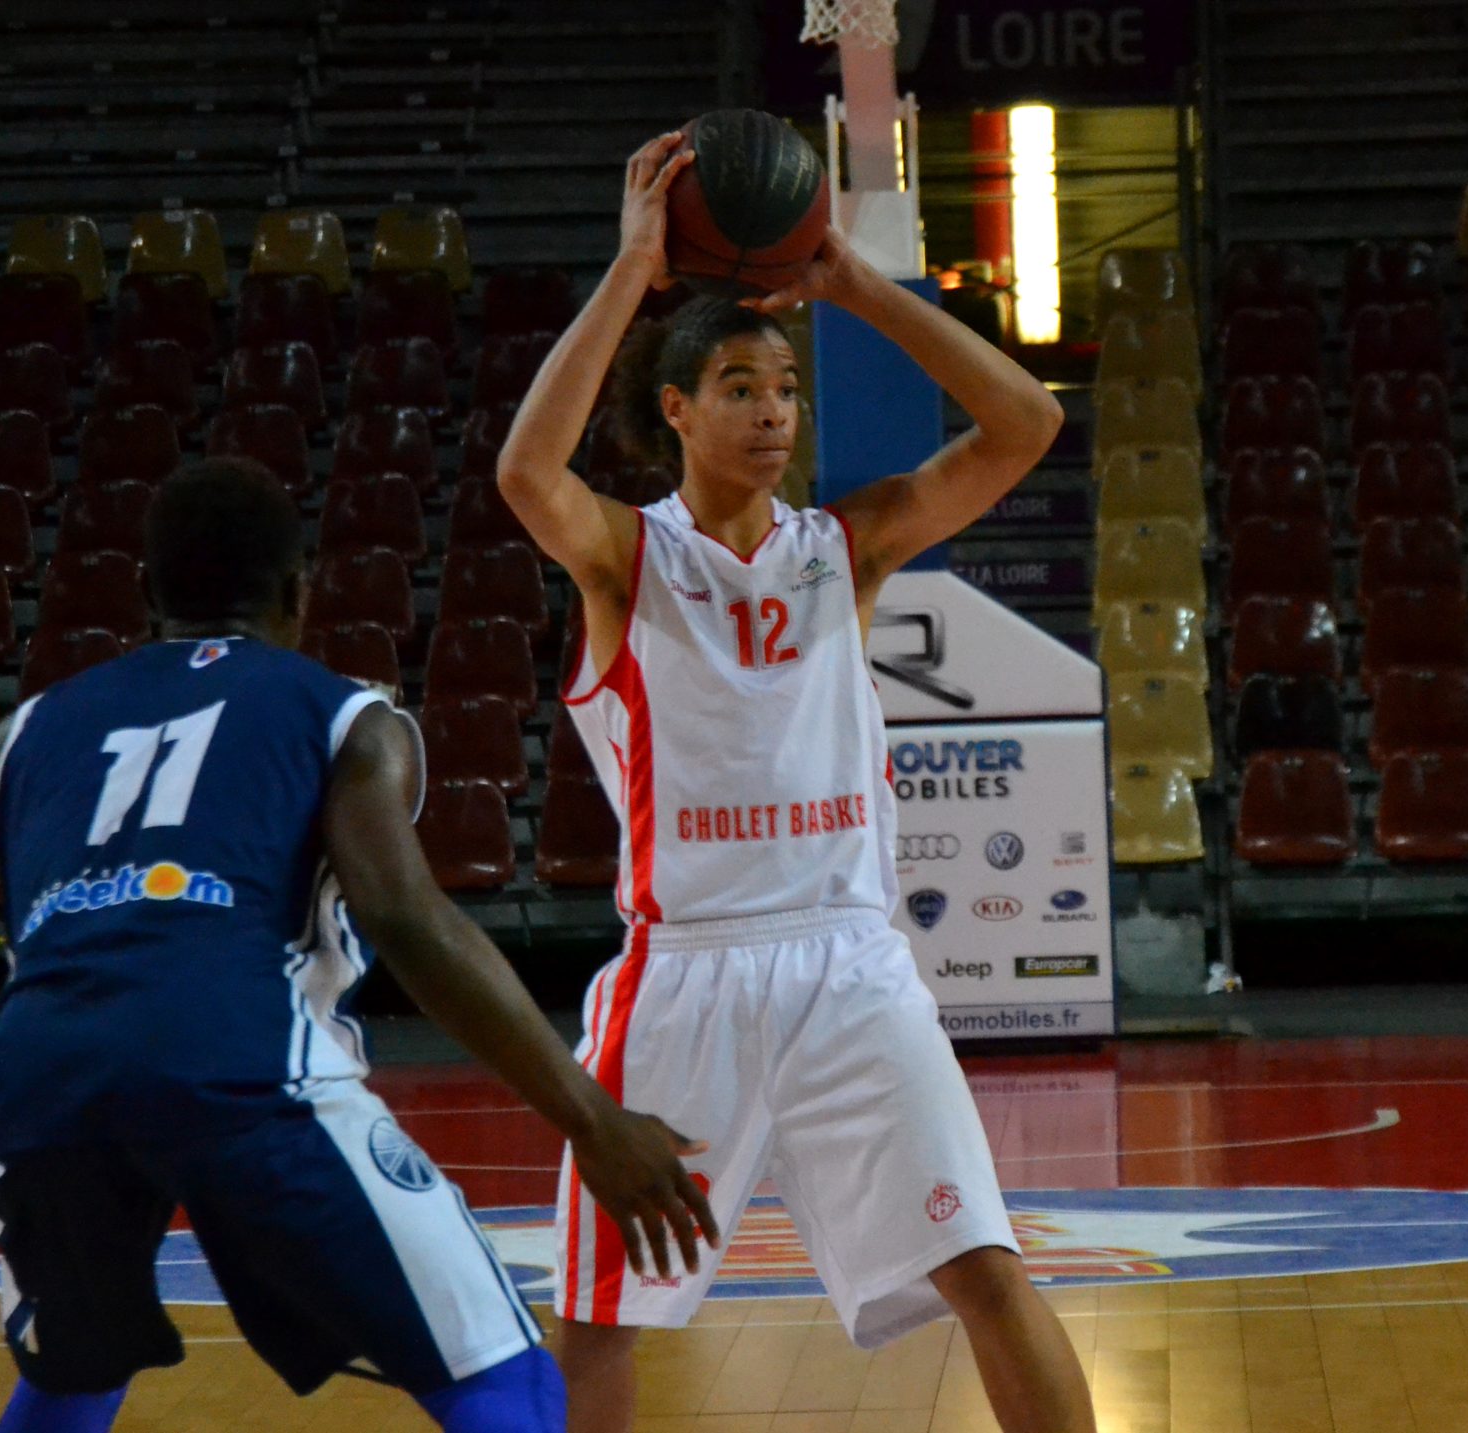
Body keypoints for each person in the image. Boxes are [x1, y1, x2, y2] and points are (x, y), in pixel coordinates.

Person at [0, 458, 719, 1433]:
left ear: (146, 591)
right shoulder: (348, 717)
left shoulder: (33, 726)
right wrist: (588, 1118)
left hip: (43, 1080)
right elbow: (407, 919)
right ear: (297, 591)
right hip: (239, 1062)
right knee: (502, 1371)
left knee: (74, 1368)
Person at [494, 132, 1096, 1433]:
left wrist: (850, 280)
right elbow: (524, 475)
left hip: (847, 965)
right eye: (734, 385)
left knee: (986, 1268)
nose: (770, 411)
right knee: (598, 1317)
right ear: (675, 410)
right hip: (683, 972)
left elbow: (1027, 421)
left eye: (784, 388)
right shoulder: (621, 558)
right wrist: (628, 271)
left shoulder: (849, 546)